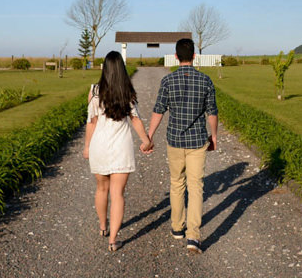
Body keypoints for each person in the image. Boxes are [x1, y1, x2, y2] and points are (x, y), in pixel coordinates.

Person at [147, 37, 218, 254]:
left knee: (177, 183)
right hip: (197, 141)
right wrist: (213, 136)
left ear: (176, 56)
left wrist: (149, 136)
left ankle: (177, 227)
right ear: (194, 56)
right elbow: (212, 113)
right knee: (196, 187)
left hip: (175, 141)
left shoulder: (168, 82)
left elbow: (159, 110)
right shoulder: (206, 81)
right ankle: (193, 236)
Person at [83, 50, 154, 251]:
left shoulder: (94, 91)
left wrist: (87, 146)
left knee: (101, 189)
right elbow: (136, 120)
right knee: (118, 194)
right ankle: (113, 240)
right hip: (121, 147)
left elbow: (92, 122)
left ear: (104, 69)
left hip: (99, 146)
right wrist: (146, 141)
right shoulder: (128, 92)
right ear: (122, 70)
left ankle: (102, 226)